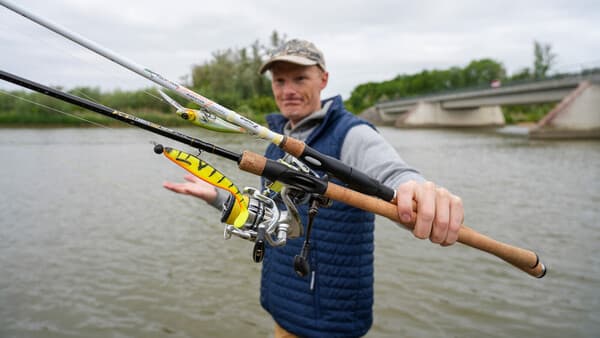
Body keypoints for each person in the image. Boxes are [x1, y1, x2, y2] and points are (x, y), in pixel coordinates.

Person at [163, 39, 464, 338]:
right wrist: (218, 198)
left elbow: (394, 173)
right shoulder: (275, 139)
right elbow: (270, 216)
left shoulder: (352, 134)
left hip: (328, 323)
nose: (288, 90)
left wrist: (419, 191)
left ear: (324, 80)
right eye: (279, 80)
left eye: (300, 78)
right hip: (282, 309)